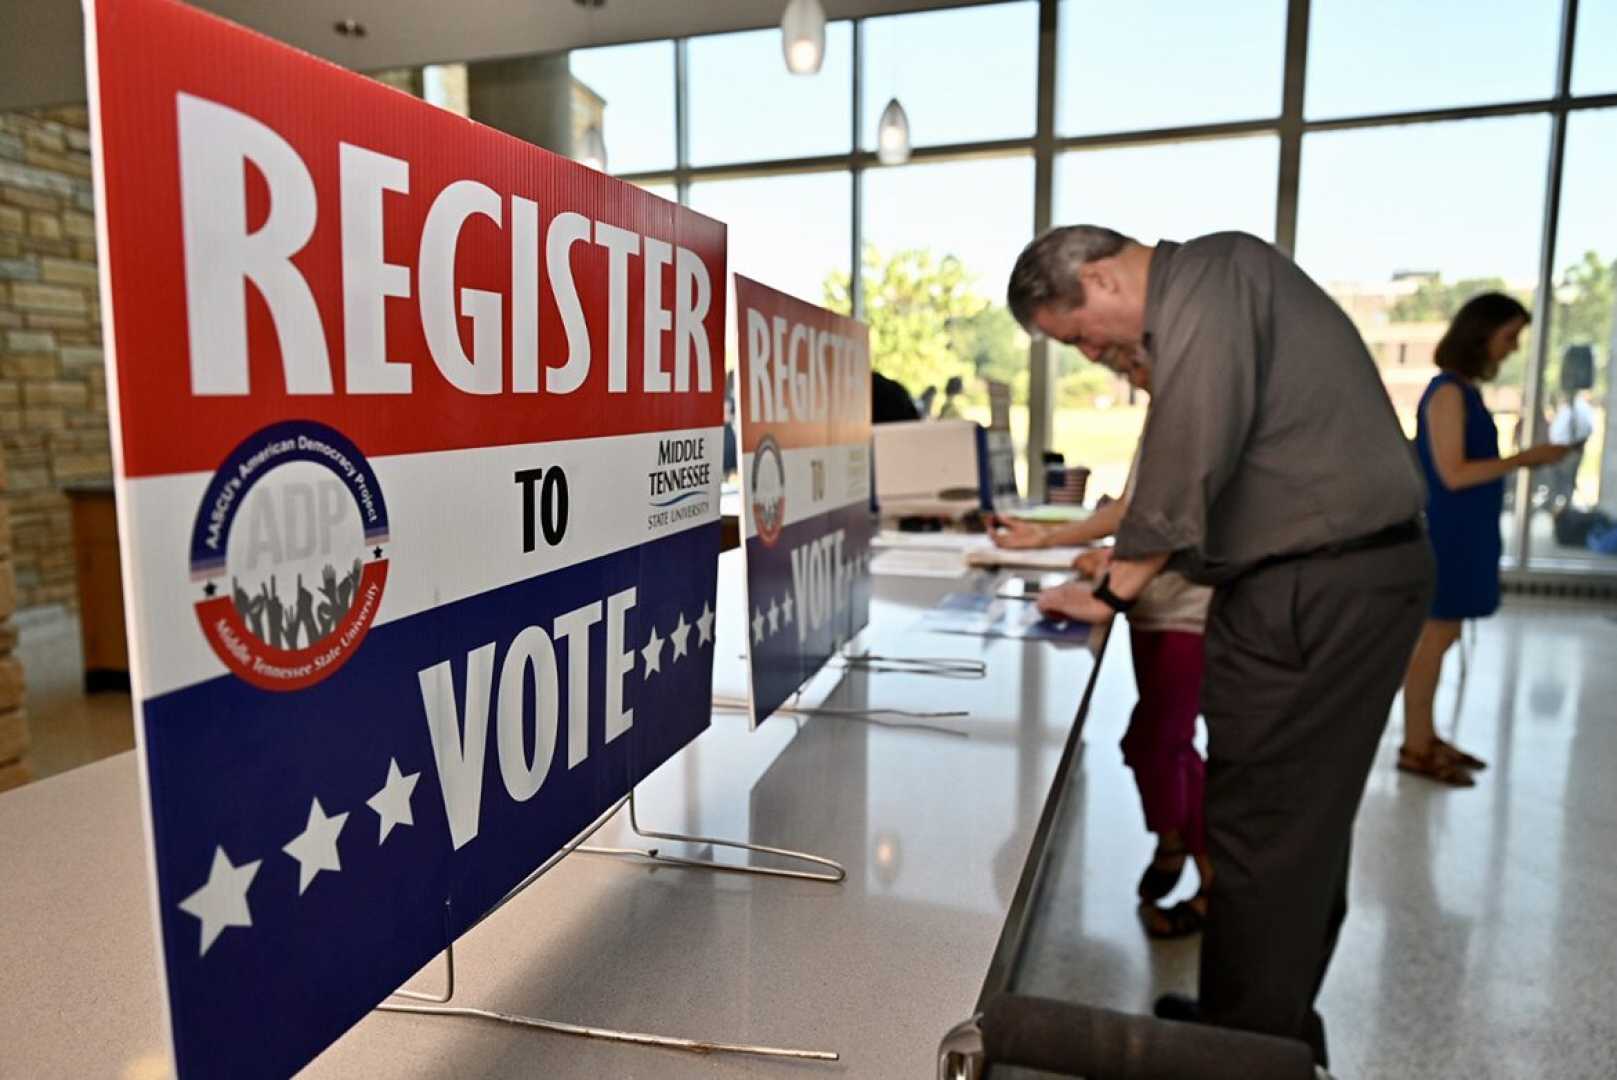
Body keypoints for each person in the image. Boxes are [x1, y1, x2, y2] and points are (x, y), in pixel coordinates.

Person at [1007, 226, 1434, 1070]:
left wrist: (1111, 591)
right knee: (1295, 830)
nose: (1092, 356)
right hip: (1325, 580)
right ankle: (1258, 1026)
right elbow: (1239, 472)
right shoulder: (1221, 290)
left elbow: (1185, 452)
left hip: (1313, 590)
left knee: (1265, 833)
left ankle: (1236, 1056)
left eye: (1079, 335)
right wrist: (1129, 556)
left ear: (1100, 278)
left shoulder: (1209, 275)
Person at [993, 355, 1214, 939]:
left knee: (1158, 743)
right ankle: (1175, 846)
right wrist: (1050, 536)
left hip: (1185, 605)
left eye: (1115, 352)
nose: (1117, 367)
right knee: (1162, 743)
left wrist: (1115, 573)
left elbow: (1174, 522)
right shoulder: (1167, 409)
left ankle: (1208, 875)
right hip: (1154, 601)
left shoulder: (1196, 405)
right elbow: (1135, 508)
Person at [1400, 294, 1572, 786]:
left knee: (1445, 633)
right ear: (1482, 334)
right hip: (1449, 530)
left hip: (1466, 529)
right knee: (1434, 637)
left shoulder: (1464, 392)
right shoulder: (1448, 393)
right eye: (1509, 336)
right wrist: (1526, 459)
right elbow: (1452, 473)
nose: (1513, 348)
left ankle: (1424, 735)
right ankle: (1415, 743)